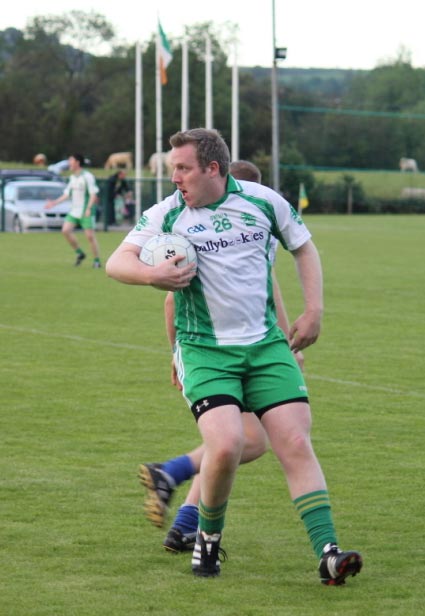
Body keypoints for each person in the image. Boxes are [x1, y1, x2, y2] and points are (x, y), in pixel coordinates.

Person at [106, 128, 362, 584]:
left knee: (295, 443)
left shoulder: (263, 202)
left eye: (182, 169)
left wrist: (315, 310)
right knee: (225, 445)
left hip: (266, 347)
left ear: (213, 169)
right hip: (205, 350)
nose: (175, 179)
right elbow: (117, 261)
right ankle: (207, 540)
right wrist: (151, 275)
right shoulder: (167, 214)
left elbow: (303, 247)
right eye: (173, 170)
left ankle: (328, 552)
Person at [139, 160, 305, 554]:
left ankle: (181, 516)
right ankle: (175, 485)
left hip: (254, 349)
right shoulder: (204, 228)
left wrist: (284, 345)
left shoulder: (257, 232)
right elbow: (170, 301)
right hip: (217, 354)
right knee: (240, 441)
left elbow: (270, 293)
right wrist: (178, 355)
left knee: (237, 442)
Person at [46, 154, 101, 268]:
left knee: (90, 237)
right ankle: (80, 253)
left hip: (86, 211)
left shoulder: (87, 176)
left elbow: (93, 194)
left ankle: (96, 261)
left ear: (77, 162)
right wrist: (54, 203)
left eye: (71, 160)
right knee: (65, 230)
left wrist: (89, 208)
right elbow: (66, 194)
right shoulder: (73, 177)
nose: (68, 163)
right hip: (74, 211)